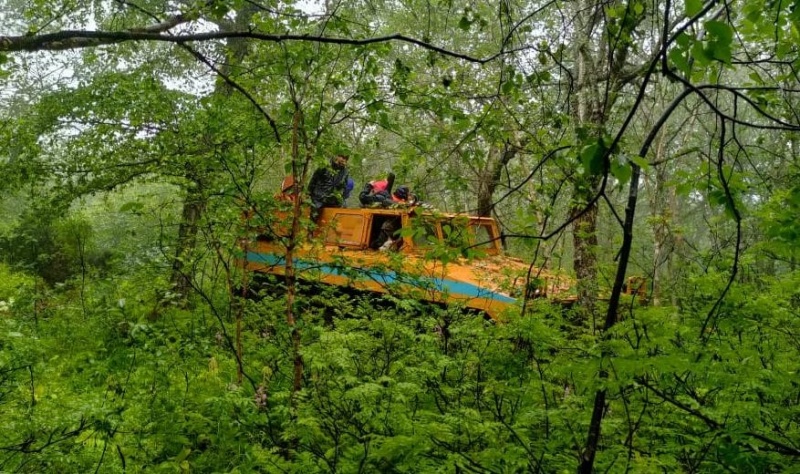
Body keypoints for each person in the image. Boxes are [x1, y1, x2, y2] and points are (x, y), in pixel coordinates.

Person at [308, 154, 350, 220]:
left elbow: (344, 186)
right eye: (342, 157)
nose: (344, 160)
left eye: (346, 159)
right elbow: (314, 180)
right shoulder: (325, 166)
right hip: (319, 197)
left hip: (333, 200)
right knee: (314, 217)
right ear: (337, 156)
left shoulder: (345, 172)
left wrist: (342, 198)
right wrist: (309, 193)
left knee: (337, 218)